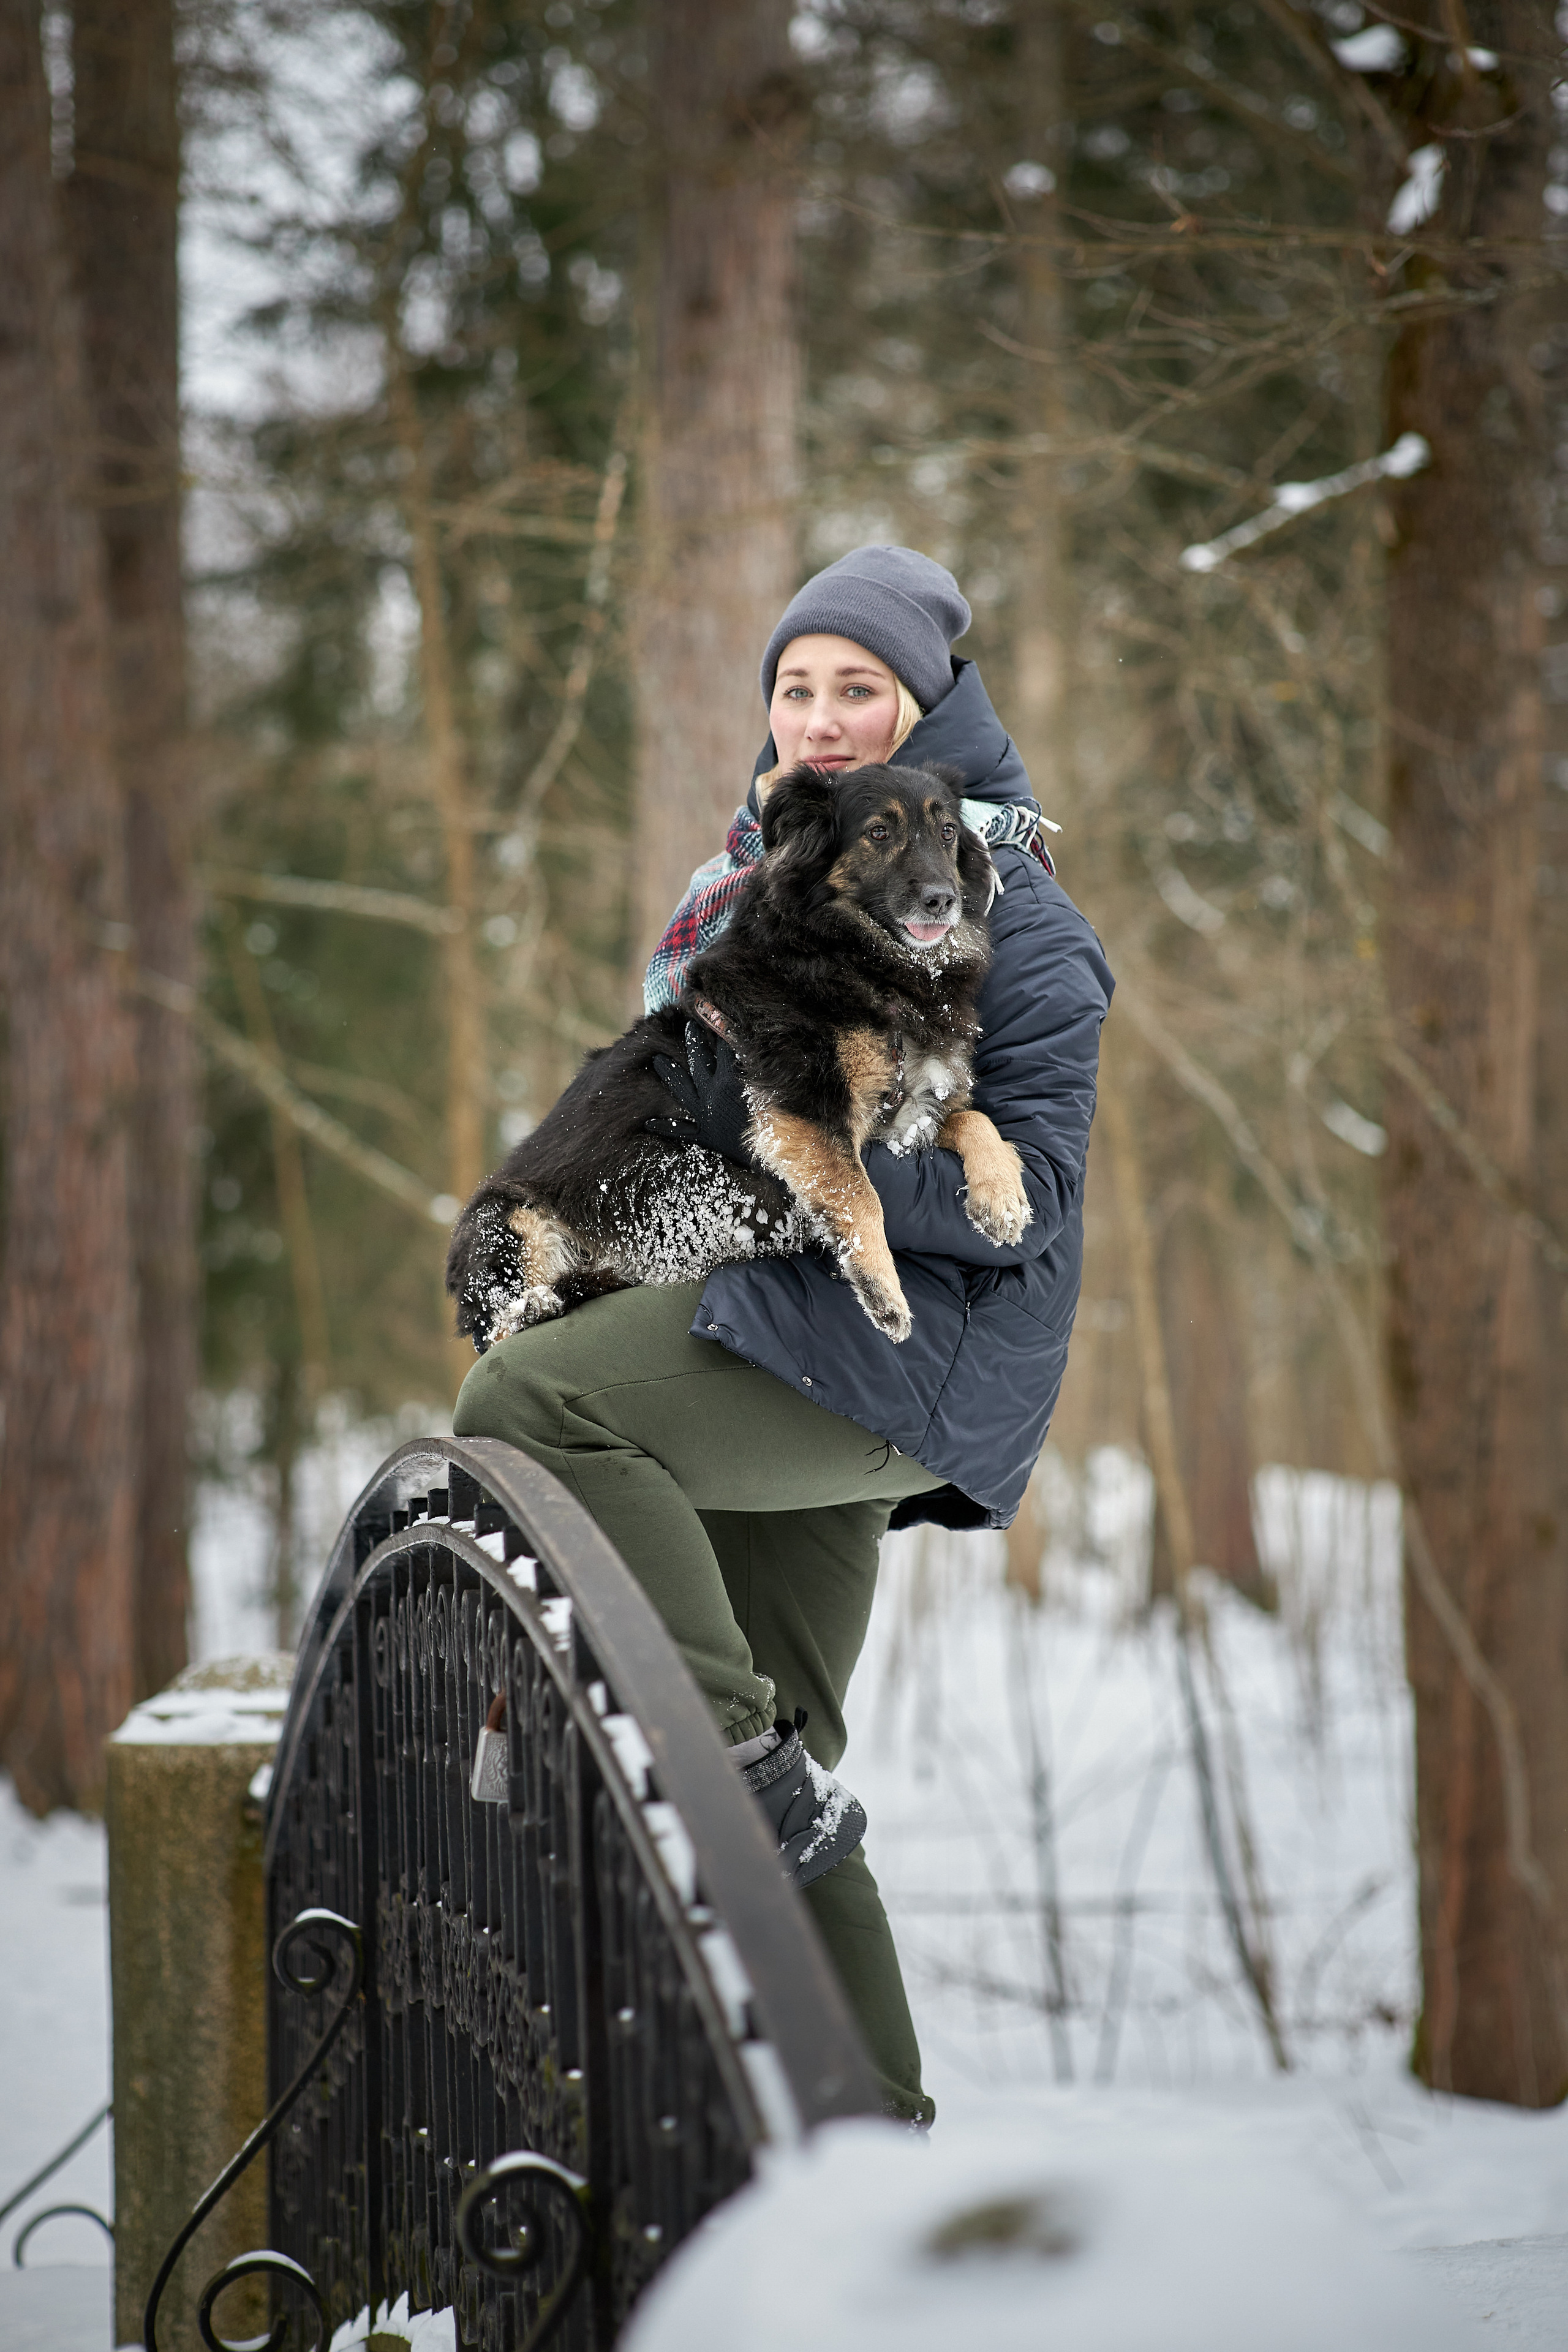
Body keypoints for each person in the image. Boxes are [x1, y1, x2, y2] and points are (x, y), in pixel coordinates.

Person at [453, 545, 1113, 2124]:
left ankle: (716, 1766)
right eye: (795, 688)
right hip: (771, 1321)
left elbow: (1033, 1200)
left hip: (905, 1360)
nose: (818, 718)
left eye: (857, 690)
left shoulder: (1015, 913)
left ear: (925, 712)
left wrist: (824, 1161)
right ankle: (858, 2135)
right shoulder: (753, 887)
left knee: (533, 1404)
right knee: (788, 1764)